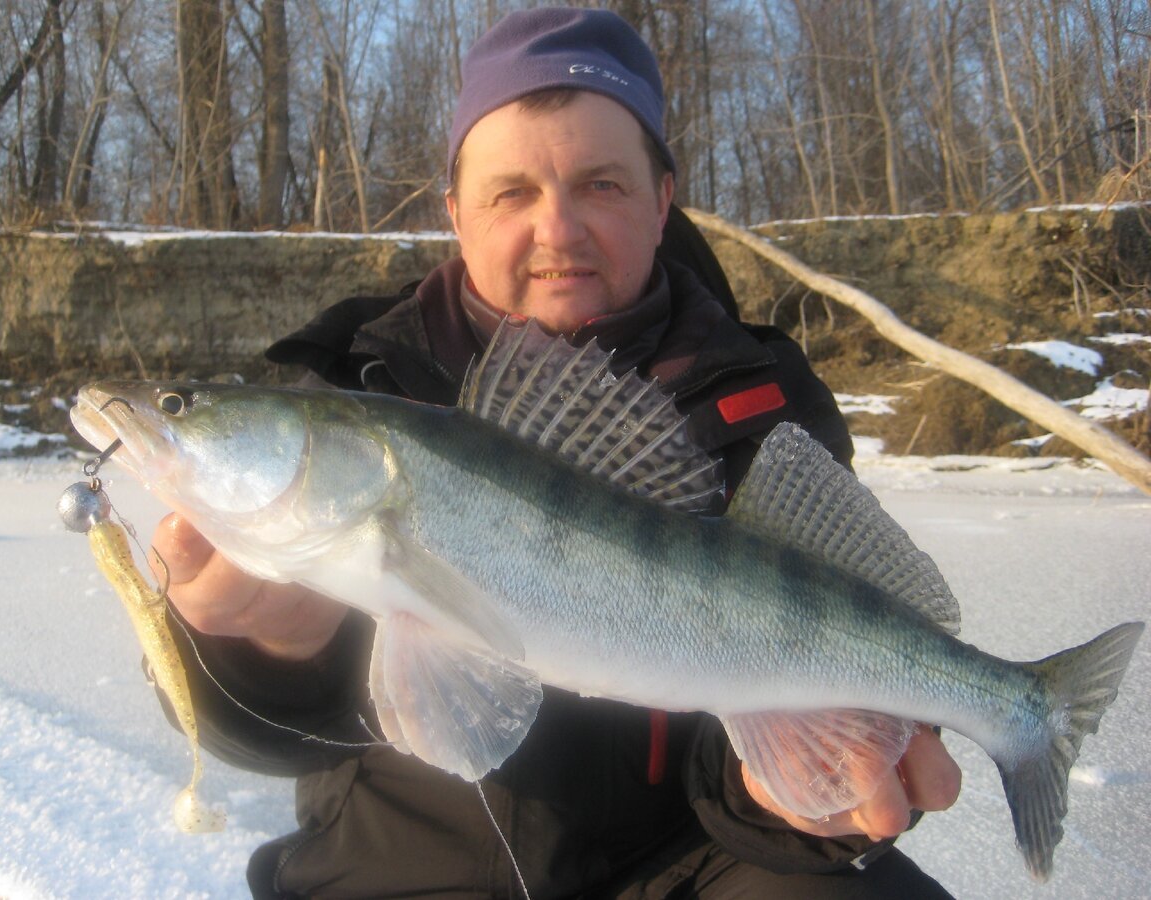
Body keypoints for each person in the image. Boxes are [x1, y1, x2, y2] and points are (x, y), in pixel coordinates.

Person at [152, 8, 960, 898]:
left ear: (662, 201)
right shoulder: (353, 381)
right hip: (394, 869)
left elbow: (846, 642)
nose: (559, 230)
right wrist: (266, 649)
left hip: (687, 866)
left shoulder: (765, 400)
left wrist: (788, 791)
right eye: (512, 193)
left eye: (602, 185)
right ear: (456, 214)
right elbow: (256, 735)